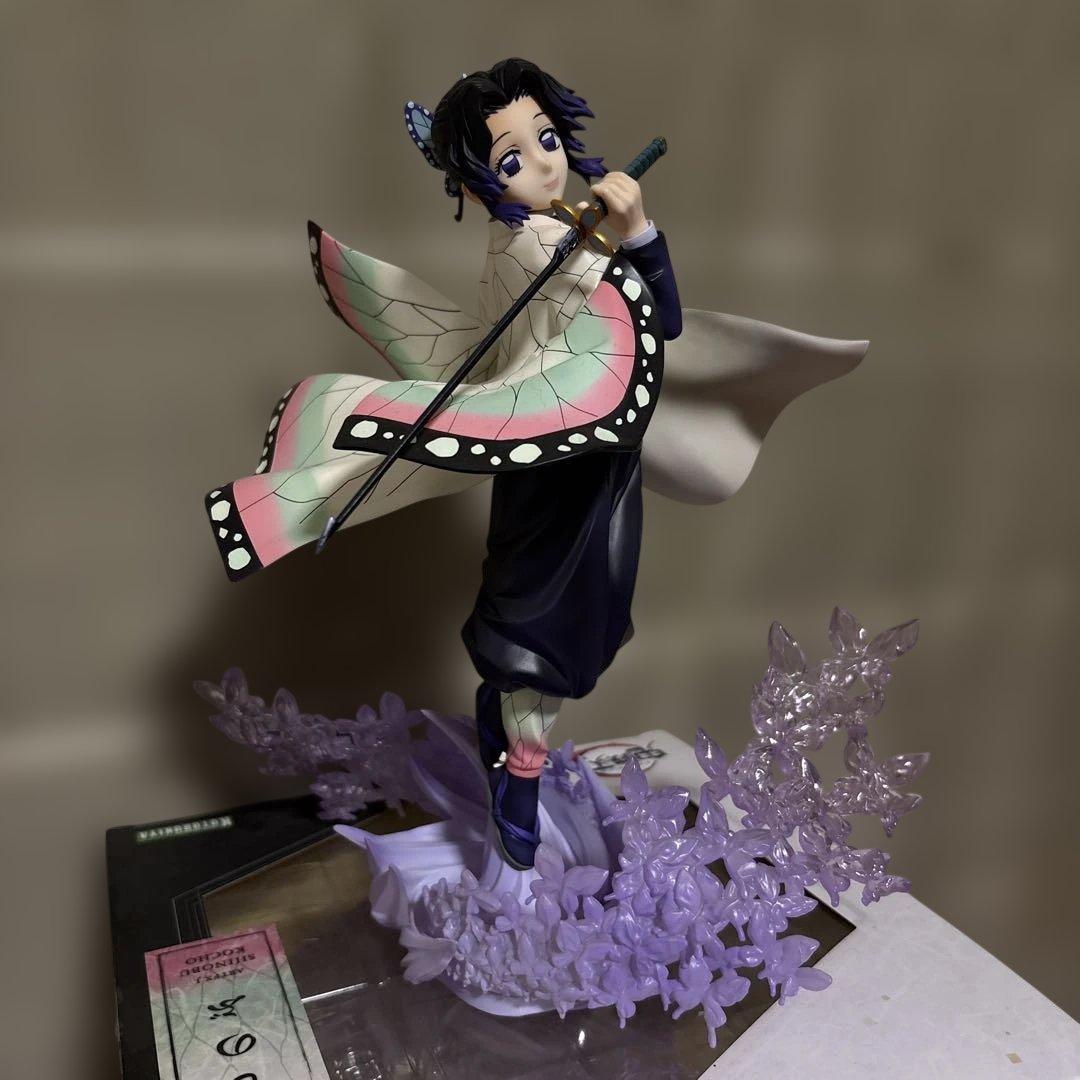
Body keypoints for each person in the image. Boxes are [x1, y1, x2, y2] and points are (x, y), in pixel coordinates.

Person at [204, 57, 868, 870]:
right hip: (555, 470)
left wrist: (635, 235)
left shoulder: (552, 240)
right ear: (476, 181)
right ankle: (518, 792)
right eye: (513, 158)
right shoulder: (531, 249)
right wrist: (627, 244)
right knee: (543, 634)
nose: (545, 165)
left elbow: (649, 328)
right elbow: (642, 324)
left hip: (589, 465)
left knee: (565, 624)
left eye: (547, 140)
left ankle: (509, 739)